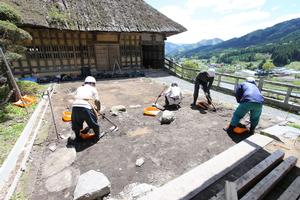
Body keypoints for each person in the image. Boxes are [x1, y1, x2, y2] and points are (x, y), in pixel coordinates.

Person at [71, 76, 101, 140]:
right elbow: (97, 101)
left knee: (76, 124)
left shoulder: (79, 88)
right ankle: (97, 137)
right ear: (92, 83)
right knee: (94, 123)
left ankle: (78, 137)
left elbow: (79, 97)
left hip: (75, 107)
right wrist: (98, 109)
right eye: (94, 84)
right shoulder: (93, 89)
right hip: (85, 107)